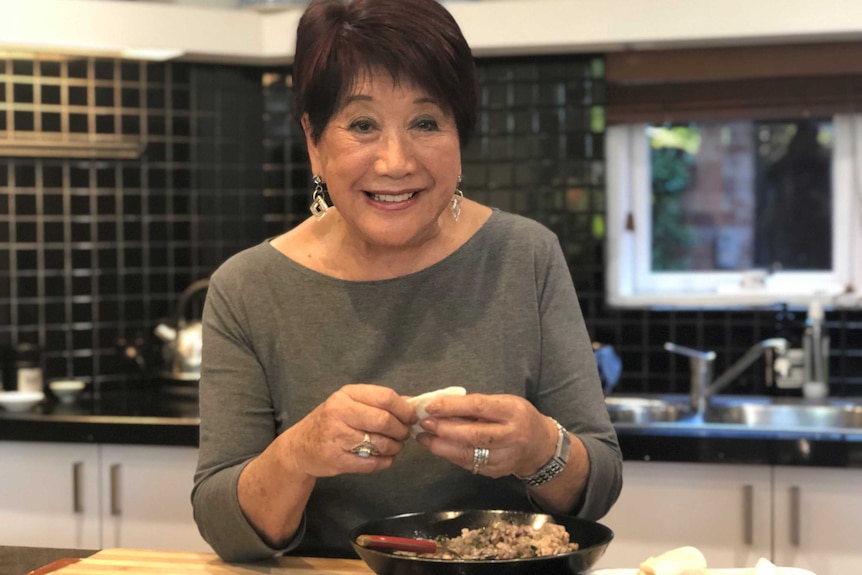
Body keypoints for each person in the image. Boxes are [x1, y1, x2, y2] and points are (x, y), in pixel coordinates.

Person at [191, 0, 622, 562]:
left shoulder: (525, 255)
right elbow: (223, 526)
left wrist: (541, 447)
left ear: (459, 138)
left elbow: (599, 486)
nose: (395, 162)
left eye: (426, 122)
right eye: (362, 125)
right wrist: (299, 451)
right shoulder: (247, 287)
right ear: (313, 141)